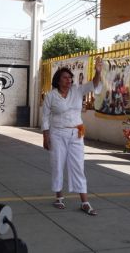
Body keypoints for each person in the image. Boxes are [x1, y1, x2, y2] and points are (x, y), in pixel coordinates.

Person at [42, 57, 102, 215]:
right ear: (58, 80)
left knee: (78, 166)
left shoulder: (77, 90)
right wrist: (45, 136)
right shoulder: (51, 96)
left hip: (76, 133)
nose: (69, 80)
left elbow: (94, 84)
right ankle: (59, 197)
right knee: (57, 164)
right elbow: (45, 117)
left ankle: (85, 201)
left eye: (70, 78)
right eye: (65, 77)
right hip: (57, 133)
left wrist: (98, 71)